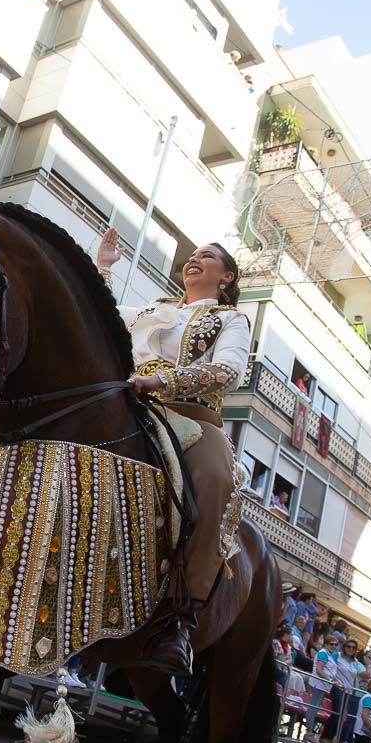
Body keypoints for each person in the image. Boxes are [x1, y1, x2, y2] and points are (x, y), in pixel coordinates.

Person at [97, 231, 250, 674]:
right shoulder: (154, 308)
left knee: (215, 479)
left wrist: (162, 381)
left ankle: (183, 614)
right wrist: (104, 266)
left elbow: (230, 370)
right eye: (193, 254)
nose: (195, 259)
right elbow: (102, 316)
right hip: (128, 403)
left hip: (191, 415)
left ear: (226, 276)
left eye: (208, 256)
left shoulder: (230, 319)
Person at [321, 637, 361, 743]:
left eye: (353, 647)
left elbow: (354, 677)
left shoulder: (355, 661)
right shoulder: (337, 655)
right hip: (337, 687)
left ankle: (332, 737)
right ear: (344, 647)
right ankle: (325, 736)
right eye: (349, 646)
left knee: (342, 715)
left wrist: (353, 689)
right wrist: (332, 679)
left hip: (348, 690)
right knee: (337, 712)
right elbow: (328, 666)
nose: (351, 649)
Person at [304, 634, 338, 742]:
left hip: (324, 686)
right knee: (313, 707)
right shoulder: (323, 653)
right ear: (326, 644)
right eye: (331, 644)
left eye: (336, 645)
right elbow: (319, 670)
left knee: (315, 707)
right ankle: (309, 732)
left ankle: (310, 732)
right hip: (318, 684)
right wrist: (330, 680)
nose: (334, 646)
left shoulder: (329, 655)